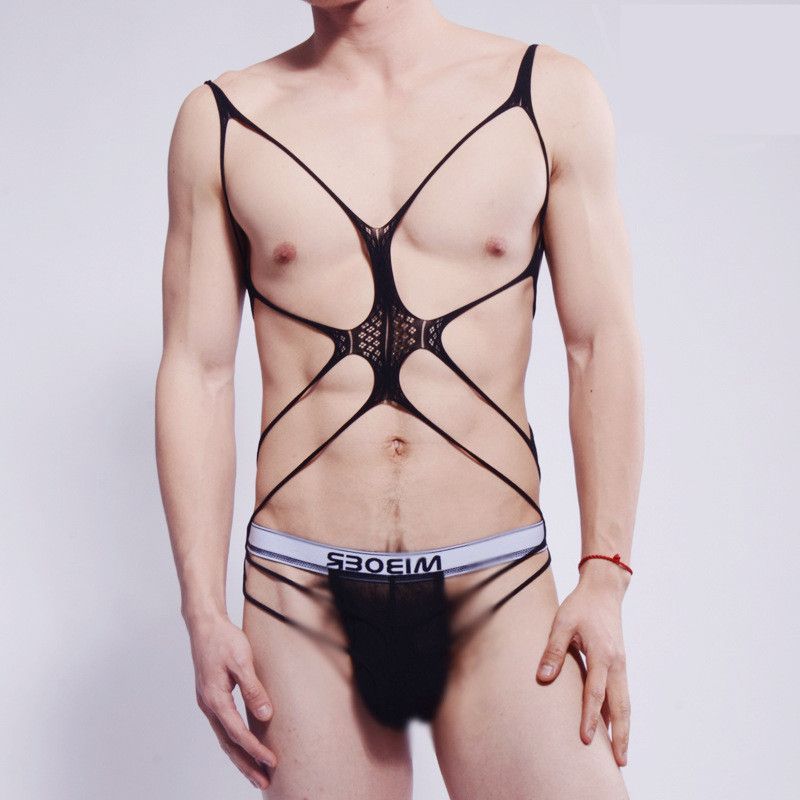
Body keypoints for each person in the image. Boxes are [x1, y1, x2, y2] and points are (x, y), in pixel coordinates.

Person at [155, 1, 643, 797]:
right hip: (301, 598)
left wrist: (605, 574)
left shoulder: (545, 93)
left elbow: (601, 343)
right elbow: (197, 371)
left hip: (498, 586)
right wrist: (202, 611)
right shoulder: (224, 117)